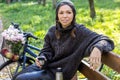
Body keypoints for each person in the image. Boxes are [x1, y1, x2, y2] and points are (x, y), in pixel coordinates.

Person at [13, 0, 114, 80]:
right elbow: (46, 51)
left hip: (60, 73)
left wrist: (97, 48)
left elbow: (106, 40)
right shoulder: (52, 31)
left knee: (21, 78)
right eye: (61, 13)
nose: (65, 16)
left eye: (68, 12)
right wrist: (42, 57)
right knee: (16, 77)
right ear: (57, 15)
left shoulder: (80, 31)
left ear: (73, 14)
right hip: (47, 66)